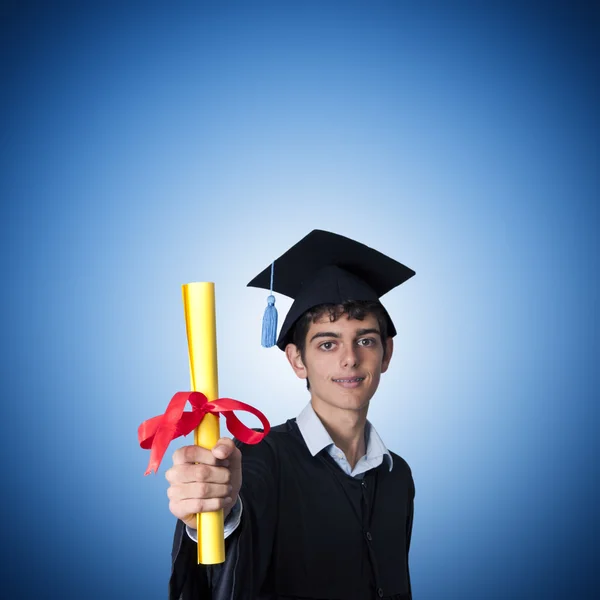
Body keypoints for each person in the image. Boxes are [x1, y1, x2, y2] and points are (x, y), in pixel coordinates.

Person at [166, 230, 416, 600]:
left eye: (365, 340)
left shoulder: (398, 477)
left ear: (386, 353)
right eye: (327, 344)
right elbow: (233, 549)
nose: (350, 358)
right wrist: (216, 517)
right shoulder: (259, 457)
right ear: (297, 360)